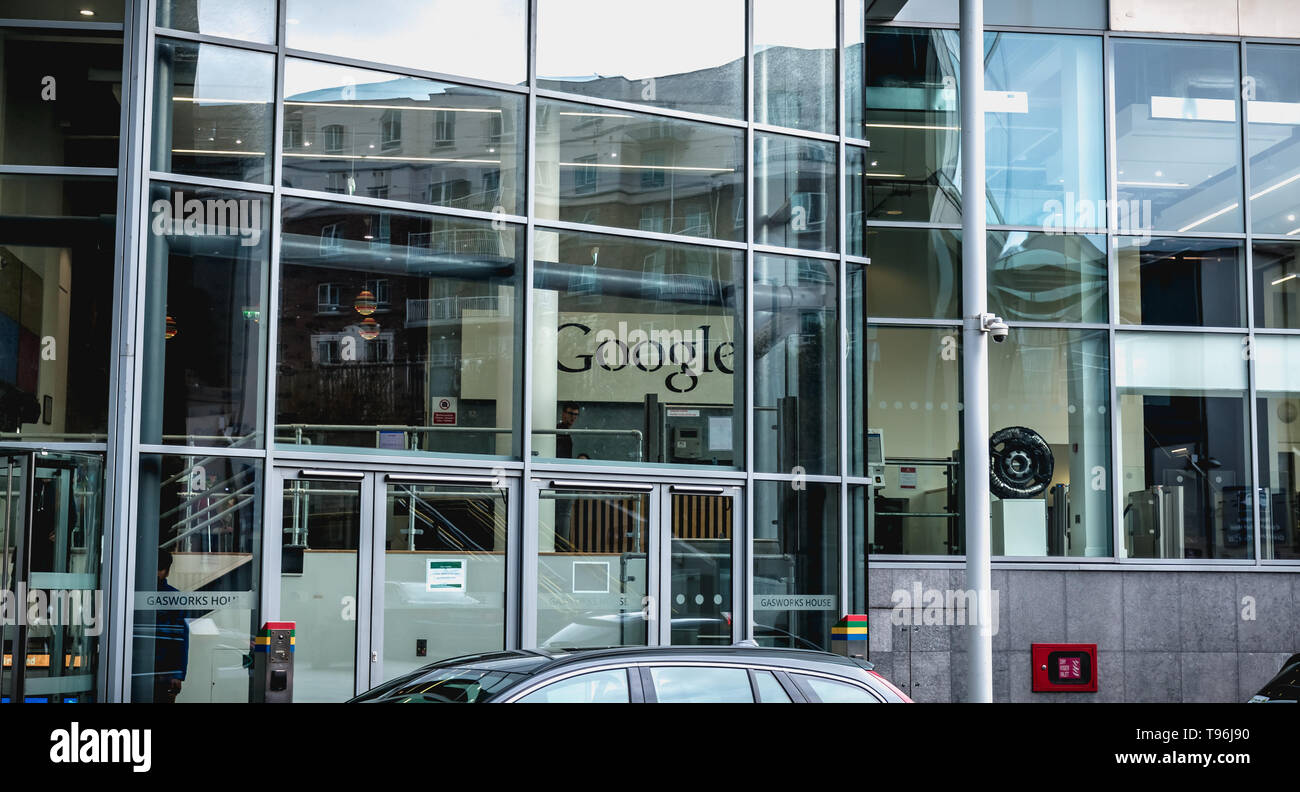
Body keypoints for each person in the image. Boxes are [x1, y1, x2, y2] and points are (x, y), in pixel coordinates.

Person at [154, 550, 190, 703]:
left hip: (164, 670)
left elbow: (181, 639)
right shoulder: (131, 593)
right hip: (156, 668)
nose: (156, 573)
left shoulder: (175, 598)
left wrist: (177, 674)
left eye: (160, 569)